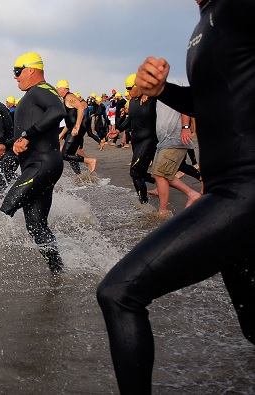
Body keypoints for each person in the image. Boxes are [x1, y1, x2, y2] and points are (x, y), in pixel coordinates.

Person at [97, 0, 255, 393]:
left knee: (120, 292)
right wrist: (163, 90)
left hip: (245, 190)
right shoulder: (208, 18)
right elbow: (211, 102)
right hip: (228, 189)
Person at [0, 52, 66, 274]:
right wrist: (8, 144)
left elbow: (58, 111)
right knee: (35, 225)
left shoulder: (41, 90)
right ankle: (57, 270)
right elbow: (29, 132)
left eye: (17, 72)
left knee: (6, 207)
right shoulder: (35, 94)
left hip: (43, 164)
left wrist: (27, 134)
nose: (15, 77)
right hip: (39, 164)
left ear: (30, 70)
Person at [151, 101, 201, 216]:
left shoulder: (173, 86)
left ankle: (163, 211)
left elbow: (185, 105)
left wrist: (185, 127)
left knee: (160, 174)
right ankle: (191, 194)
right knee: (161, 173)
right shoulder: (160, 91)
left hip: (175, 139)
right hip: (163, 141)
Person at [118, 73, 158, 204]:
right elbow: (130, 120)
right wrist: (117, 130)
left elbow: (160, 85)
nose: (127, 91)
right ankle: (162, 182)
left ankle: (144, 203)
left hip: (148, 140)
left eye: (129, 88)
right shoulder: (132, 102)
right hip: (136, 142)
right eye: (126, 89)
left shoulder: (151, 98)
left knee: (135, 173)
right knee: (141, 173)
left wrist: (149, 92)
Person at [55, 79, 97, 174]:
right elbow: (69, 120)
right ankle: (79, 174)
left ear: (63, 89)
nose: (57, 91)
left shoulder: (70, 97)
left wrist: (77, 126)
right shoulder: (66, 98)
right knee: (70, 154)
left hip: (76, 129)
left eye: (58, 89)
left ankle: (90, 161)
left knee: (65, 155)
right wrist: (62, 133)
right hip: (71, 128)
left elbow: (81, 108)